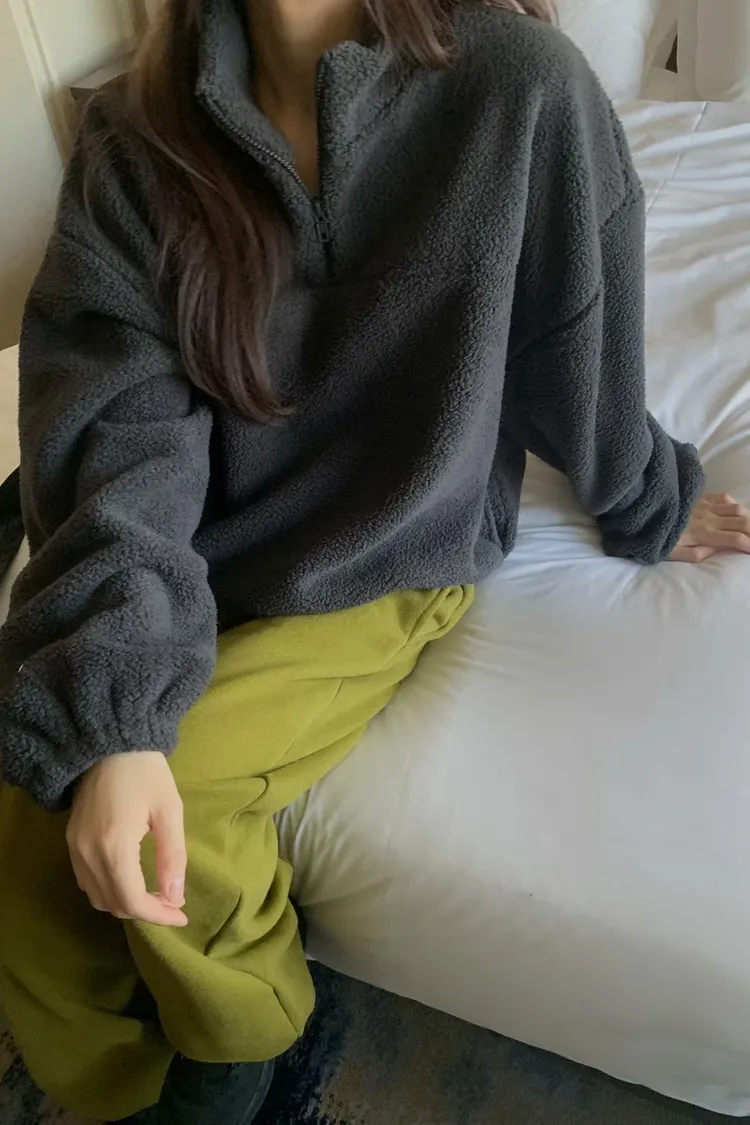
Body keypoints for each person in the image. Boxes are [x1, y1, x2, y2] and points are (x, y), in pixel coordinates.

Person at [1, 0, 749, 1122]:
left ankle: (245, 1044)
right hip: (190, 538)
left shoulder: (521, 85)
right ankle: (111, 1091)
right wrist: (110, 702)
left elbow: (576, 343)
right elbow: (116, 425)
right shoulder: (135, 135)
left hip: (386, 551)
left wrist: (650, 497)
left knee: (179, 807)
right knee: (35, 803)